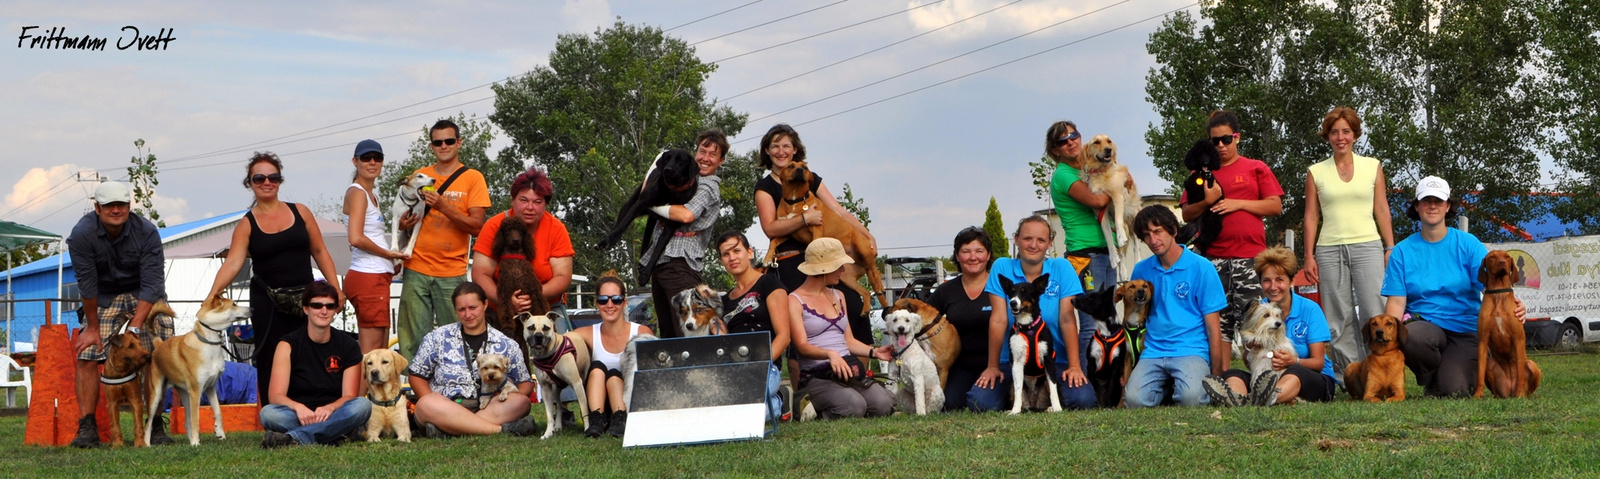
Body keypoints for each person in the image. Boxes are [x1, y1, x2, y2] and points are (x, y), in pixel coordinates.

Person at [204, 152, 344, 406]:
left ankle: (316, 408)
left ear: (280, 181)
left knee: (310, 351)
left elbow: (320, 251)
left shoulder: (300, 211)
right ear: (250, 183)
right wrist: (212, 295)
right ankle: (275, 416)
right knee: (271, 356)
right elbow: (233, 263)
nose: (266, 182)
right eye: (259, 178)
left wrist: (335, 288)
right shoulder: (246, 225)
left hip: (306, 297)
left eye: (273, 177)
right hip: (268, 301)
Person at [1383, 176, 1530, 398]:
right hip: (1425, 326)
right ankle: (1430, 375)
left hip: (1465, 330)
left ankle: (1443, 379)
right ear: (1417, 206)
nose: (1432, 205)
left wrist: (1515, 307)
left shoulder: (1468, 243)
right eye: (1426, 200)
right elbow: (1395, 303)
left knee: (1454, 391)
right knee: (1410, 336)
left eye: (1438, 201)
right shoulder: (1402, 251)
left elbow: (1491, 287)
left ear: (1448, 206)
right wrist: (1388, 340)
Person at [66, 181, 177, 447]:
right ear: (97, 207)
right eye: (109, 205)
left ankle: (155, 423)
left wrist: (135, 327)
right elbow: (87, 285)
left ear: (129, 206)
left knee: (158, 349)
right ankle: (88, 426)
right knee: (87, 352)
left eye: (121, 205)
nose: (116, 210)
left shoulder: (148, 232)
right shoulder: (81, 234)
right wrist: (92, 327)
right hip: (103, 296)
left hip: (143, 295)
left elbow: (152, 285)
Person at [1302, 107, 1395, 380]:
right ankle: (1350, 378)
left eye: (1346, 131)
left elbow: (1381, 208)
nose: (1340, 137)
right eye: (1334, 132)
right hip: (1329, 249)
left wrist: (1389, 247)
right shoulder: (1315, 172)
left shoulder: (1372, 166)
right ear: (1327, 135)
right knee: (1337, 317)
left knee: (1374, 312)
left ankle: (1380, 373)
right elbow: (1311, 215)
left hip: (1368, 246)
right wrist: (1309, 256)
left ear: (1355, 134)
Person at [1180, 110, 1284, 344]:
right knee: (1219, 328)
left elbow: (1275, 205)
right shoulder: (1201, 174)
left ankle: (1258, 379)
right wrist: (1208, 201)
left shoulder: (1255, 167)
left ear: (1237, 137)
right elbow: (1186, 213)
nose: (1221, 146)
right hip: (1213, 260)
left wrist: (1237, 204)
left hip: (1250, 258)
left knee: (1256, 328)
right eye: (1214, 141)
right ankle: (1222, 378)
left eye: (1226, 139)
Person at [973, 216, 1094, 411]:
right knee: (980, 403)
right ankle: (1017, 399)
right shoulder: (1002, 266)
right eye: (1028, 238)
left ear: (1049, 243)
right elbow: (998, 319)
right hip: (1011, 360)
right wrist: (993, 366)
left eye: (1041, 240)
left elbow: (1067, 319)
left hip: (1054, 361)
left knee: (1083, 401)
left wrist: (1074, 366)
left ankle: (1046, 399)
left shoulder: (1061, 267)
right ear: (1016, 239)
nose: (1033, 245)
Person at [397, 119, 490, 361]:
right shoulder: (419, 175)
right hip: (415, 267)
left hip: (452, 271)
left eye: (449, 141)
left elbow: (477, 226)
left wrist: (443, 206)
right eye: (438, 142)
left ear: (459, 143)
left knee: (458, 336)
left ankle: (459, 390)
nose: (444, 146)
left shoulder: (473, 177)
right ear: (431, 146)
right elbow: (401, 214)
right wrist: (402, 225)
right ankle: (413, 394)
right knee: (412, 339)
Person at [1123, 206, 1229, 408]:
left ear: (1173, 230)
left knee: (1193, 399)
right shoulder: (1141, 269)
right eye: (1146, 235)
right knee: (1134, 401)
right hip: (1153, 350)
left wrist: (1216, 376)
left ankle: (1181, 388)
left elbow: (1214, 328)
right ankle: (1168, 389)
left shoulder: (1202, 267)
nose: (1152, 240)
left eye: (1157, 231)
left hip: (1191, 349)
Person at [1203, 247, 1336, 406]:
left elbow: (1318, 363)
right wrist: (1251, 349)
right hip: (1267, 377)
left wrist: (1293, 361)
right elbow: (1249, 362)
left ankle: (1267, 397)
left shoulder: (1310, 309)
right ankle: (1237, 397)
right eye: (1266, 280)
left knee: (1294, 373)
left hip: (1312, 378)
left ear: (1291, 281)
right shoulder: (1259, 309)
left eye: (1279, 280)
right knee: (1233, 374)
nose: (1273, 287)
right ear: (1260, 283)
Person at [753, 123, 875, 291]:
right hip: (791, 260)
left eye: (786, 146)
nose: (781, 152)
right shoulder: (764, 187)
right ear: (767, 150)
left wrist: (867, 236)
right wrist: (805, 219)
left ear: (794, 149)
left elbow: (839, 212)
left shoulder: (810, 178)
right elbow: (771, 229)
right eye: (775, 146)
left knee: (852, 304)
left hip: (824, 257)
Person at [407, 282, 538, 437]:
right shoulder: (437, 337)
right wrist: (433, 399)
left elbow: (525, 383)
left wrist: (507, 396)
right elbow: (416, 376)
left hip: (490, 407)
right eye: (461, 310)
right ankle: (500, 430)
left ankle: (449, 429)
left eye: (473, 308)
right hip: (447, 406)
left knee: (521, 402)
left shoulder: (506, 343)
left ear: (485, 305)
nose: (467, 315)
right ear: (455, 310)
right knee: (426, 404)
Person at [789, 238, 894, 420]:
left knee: (883, 404)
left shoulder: (839, 295)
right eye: (839, 266)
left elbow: (848, 341)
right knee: (854, 407)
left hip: (846, 369)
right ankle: (810, 405)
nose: (843, 270)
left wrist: (874, 352)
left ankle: (844, 400)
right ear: (824, 269)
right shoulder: (794, 300)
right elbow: (801, 346)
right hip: (818, 375)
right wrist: (830, 354)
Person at [259, 281, 372, 447]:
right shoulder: (287, 345)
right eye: (317, 305)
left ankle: (293, 438)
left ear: (335, 310)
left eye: (329, 306)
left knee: (362, 406)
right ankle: (336, 434)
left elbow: (349, 396)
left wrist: (330, 408)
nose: (324, 311)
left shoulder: (349, 345)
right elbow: (275, 396)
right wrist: (299, 408)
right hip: (297, 414)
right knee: (268, 414)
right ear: (306, 309)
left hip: (333, 413)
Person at [470, 166, 575, 332]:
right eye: (524, 200)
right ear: (513, 200)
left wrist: (533, 296)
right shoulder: (494, 226)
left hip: (546, 305)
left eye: (537, 202)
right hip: (500, 306)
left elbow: (563, 276)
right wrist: (506, 299)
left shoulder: (556, 228)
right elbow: (480, 273)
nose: (530, 207)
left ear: (545, 204)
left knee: (562, 351)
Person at [648, 129, 728, 338]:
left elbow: (686, 215)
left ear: (721, 160)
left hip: (680, 261)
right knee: (668, 333)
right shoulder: (684, 178)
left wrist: (651, 204)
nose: (706, 158)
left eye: (713, 154)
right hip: (662, 262)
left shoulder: (708, 186)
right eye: (703, 151)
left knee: (686, 333)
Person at [716, 231, 792, 420]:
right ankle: (773, 401)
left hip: (767, 365)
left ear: (749, 252)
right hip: (736, 368)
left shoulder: (769, 283)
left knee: (749, 414)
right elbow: (723, 343)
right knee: (728, 410)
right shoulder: (723, 301)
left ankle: (779, 401)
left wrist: (761, 364)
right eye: (726, 254)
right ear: (721, 261)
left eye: (737, 250)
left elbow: (784, 336)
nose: (732, 257)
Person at [925, 227, 1002, 411]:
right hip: (959, 366)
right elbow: (922, 320)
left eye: (979, 251)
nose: (973, 257)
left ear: (989, 255)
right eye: (966, 251)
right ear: (957, 256)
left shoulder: (1001, 286)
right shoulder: (946, 291)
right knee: (949, 403)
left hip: (997, 364)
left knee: (980, 404)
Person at [342, 139, 408, 354]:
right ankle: (356, 390)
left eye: (377, 158)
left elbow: (371, 236)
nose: (372, 162)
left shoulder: (372, 196)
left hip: (376, 276)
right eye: (366, 158)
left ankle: (363, 390)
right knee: (373, 357)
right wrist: (388, 254)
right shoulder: (358, 193)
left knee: (381, 353)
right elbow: (356, 238)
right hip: (368, 277)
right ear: (355, 161)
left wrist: (391, 255)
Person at [578, 271, 653, 438]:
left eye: (616, 299)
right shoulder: (588, 333)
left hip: (627, 401)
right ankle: (596, 419)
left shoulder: (641, 331)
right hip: (598, 401)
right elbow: (560, 342)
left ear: (624, 302)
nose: (610, 305)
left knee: (614, 375)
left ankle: (620, 419)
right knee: (597, 369)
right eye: (604, 300)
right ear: (596, 303)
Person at [1046, 120, 1120, 288]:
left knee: (1109, 312)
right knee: (1093, 311)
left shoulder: (1091, 168)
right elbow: (1098, 200)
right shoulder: (1063, 175)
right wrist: (1119, 184)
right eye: (1062, 141)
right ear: (1055, 150)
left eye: (1073, 136)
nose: (1070, 142)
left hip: (1108, 250)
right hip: (1086, 253)